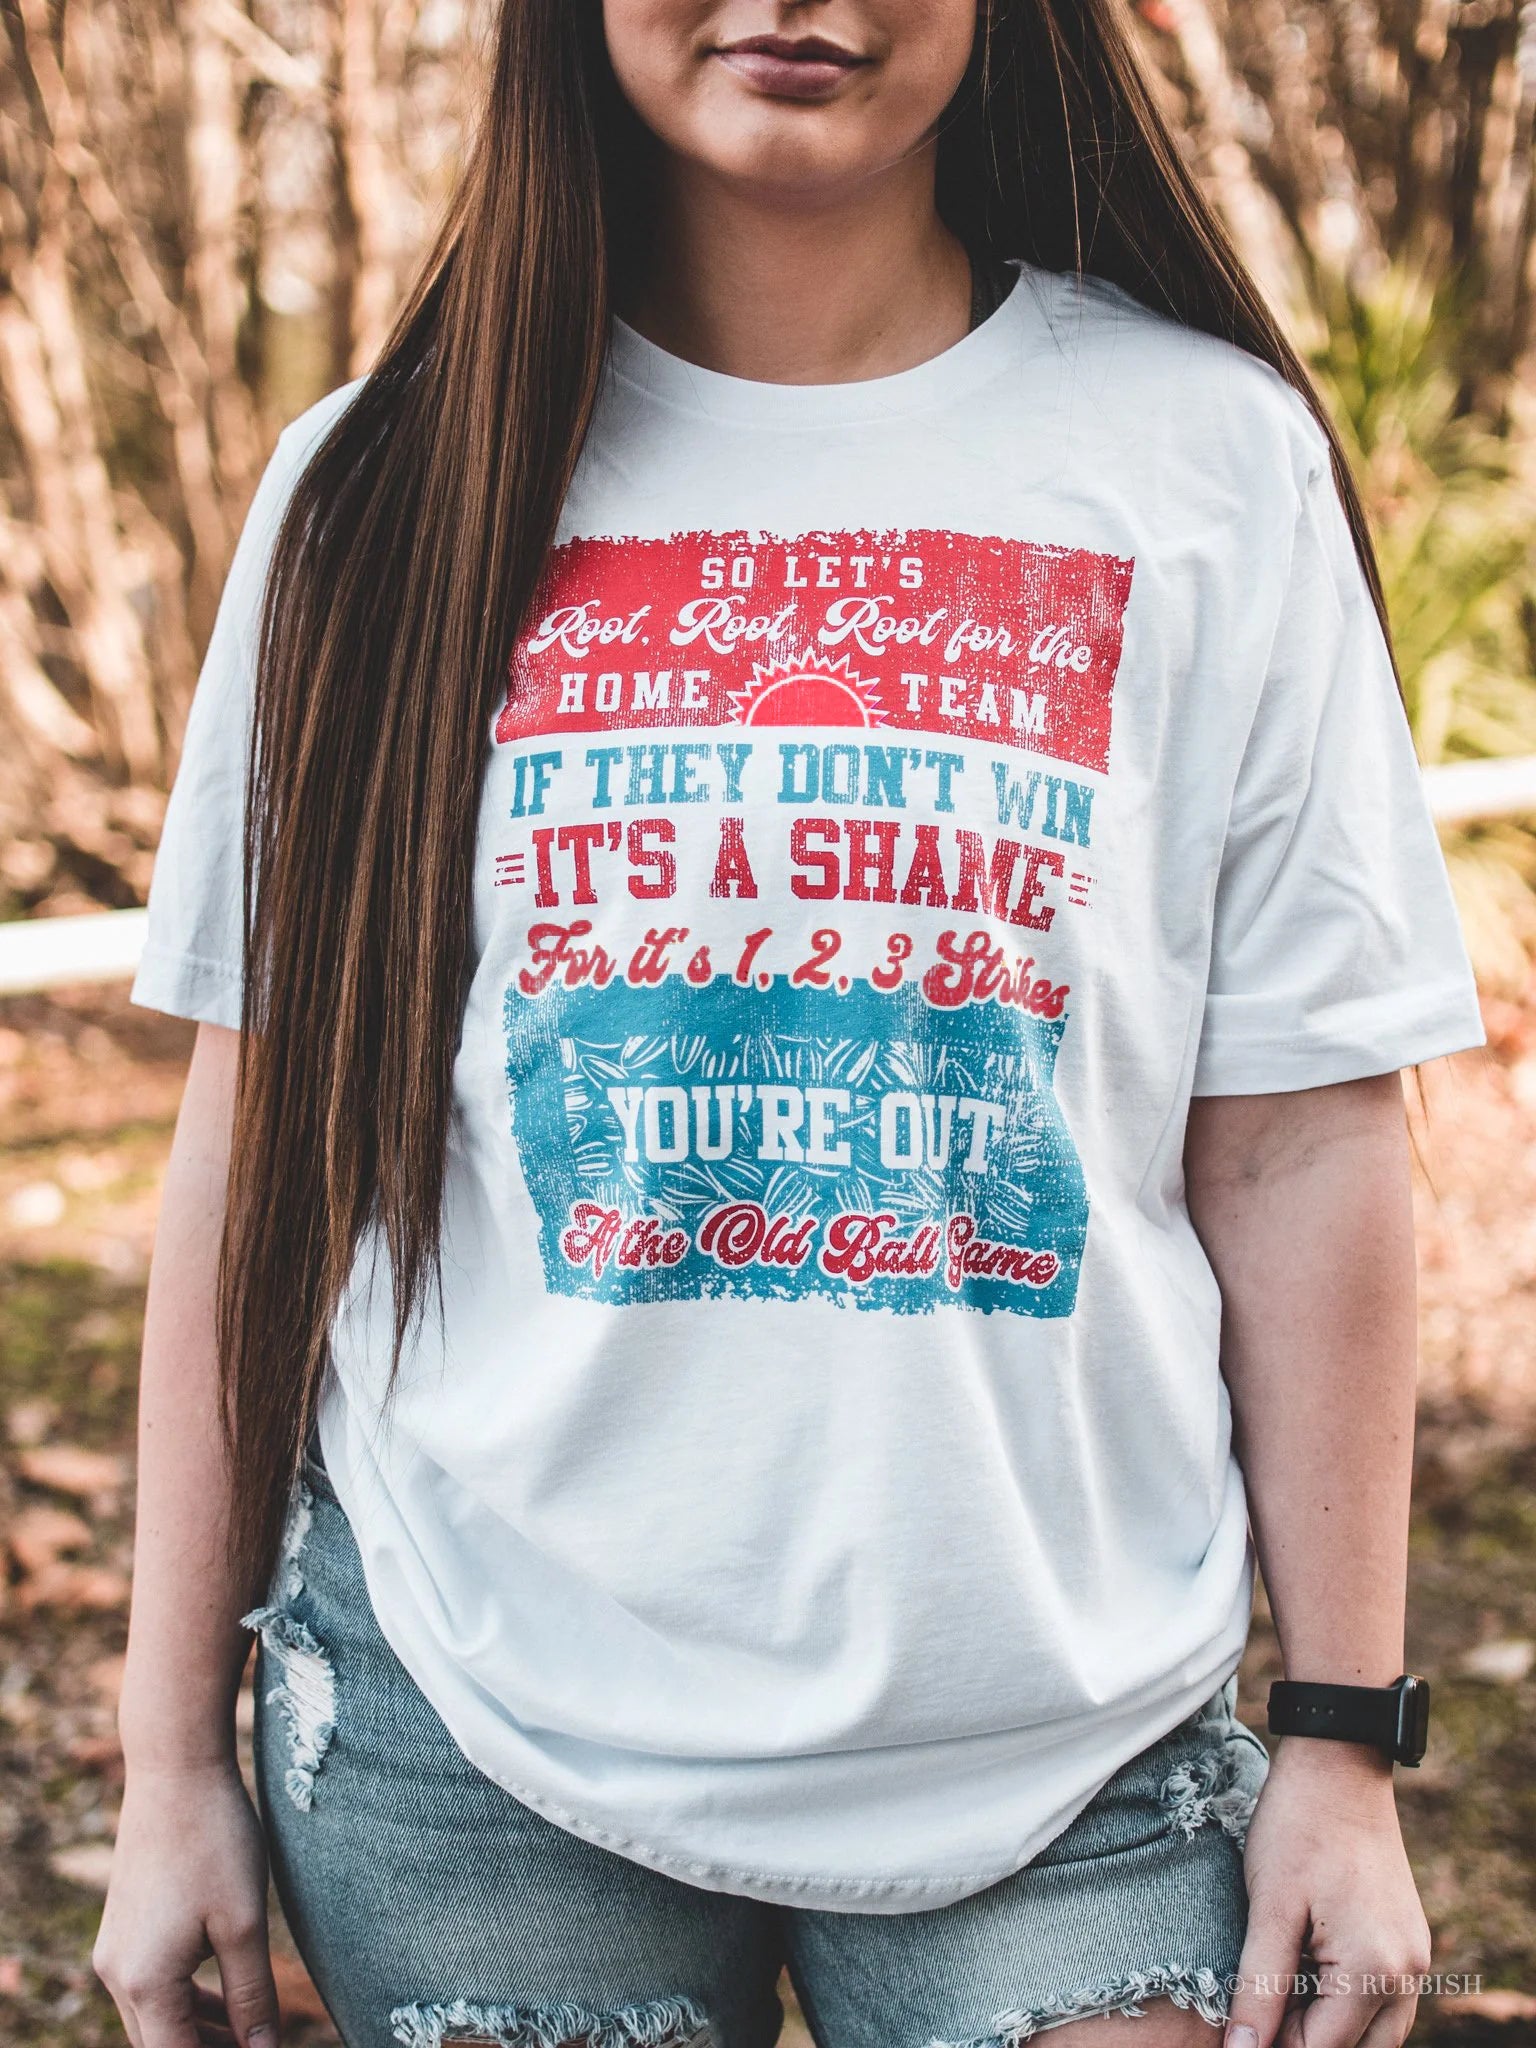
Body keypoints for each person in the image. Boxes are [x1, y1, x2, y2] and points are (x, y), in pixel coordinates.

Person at [93, 3, 1486, 2046]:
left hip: (1075, 1733)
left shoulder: (1208, 456)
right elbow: (257, 1157)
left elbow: (1300, 1138)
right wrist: (167, 1762)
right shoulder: (378, 488)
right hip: (476, 1719)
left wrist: (1345, 1742)